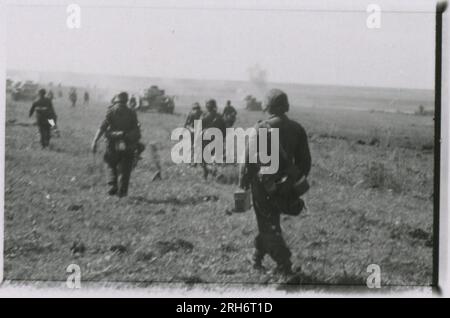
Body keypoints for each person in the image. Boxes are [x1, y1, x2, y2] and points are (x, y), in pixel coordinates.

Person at [239, 89, 311, 277]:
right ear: (285, 106)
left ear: (267, 106)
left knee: (267, 224)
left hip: (264, 185)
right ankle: (256, 257)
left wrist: (243, 182)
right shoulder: (297, 128)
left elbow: (248, 160)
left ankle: (284, 265)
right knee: (271, 222)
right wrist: (290, 184)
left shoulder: (261, 128)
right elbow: (305, 163)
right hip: (286, 186)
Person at [91, 92, 141, 197]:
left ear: (116, 100)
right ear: (126, 101)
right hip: (128, 143)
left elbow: (102, 127)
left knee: (110, 163)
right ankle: (122, 191)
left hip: (112, 142)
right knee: (126, 168)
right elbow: (136, 129)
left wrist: (95, 141)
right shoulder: (132, 112)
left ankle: (112, 184)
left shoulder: (111, 111)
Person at [200, 99, 226, 179]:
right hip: (217, 138)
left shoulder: (203, 116)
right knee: (215, 158)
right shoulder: (219, 116)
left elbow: (199, 128)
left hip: (205, 138)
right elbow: (224, 129)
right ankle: (214, 172)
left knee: (204, 159)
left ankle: (209, 173)